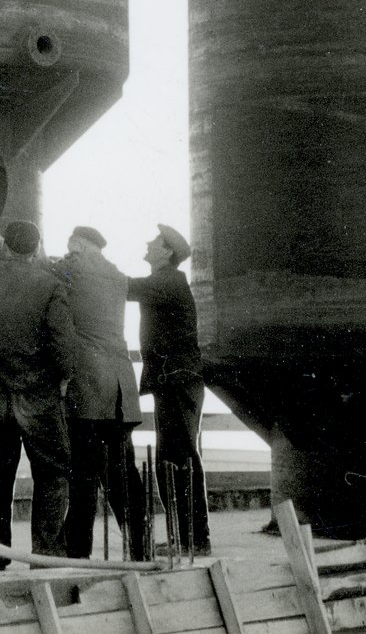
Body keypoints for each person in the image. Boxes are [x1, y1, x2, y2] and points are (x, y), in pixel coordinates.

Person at [0, 217, 79, 567]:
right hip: (38, 397)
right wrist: (63, 378)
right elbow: (65, 349)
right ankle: (46, 553)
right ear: (37, 249)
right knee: (52, 474)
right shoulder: (51, 284)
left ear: (5, 245)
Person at [54, 225, 146, 559]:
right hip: (120, 389)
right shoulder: (118, 276)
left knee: (83, 474)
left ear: (76, 245)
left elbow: (37, 268)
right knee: (123, 474)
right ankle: (141, 546)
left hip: (89, 388)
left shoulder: (70, 267)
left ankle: (77, 550)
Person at [126, 223, 209, 555]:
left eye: (155, 241)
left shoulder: (168, 280)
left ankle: (194, 540)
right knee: (172, 457)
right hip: (174, 380)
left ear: (167, 252)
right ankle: (186, 538)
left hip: (177, 380)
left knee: (179, 458)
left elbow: (126, 287)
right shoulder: (167, 281)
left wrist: (92, 271)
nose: (148, 241)